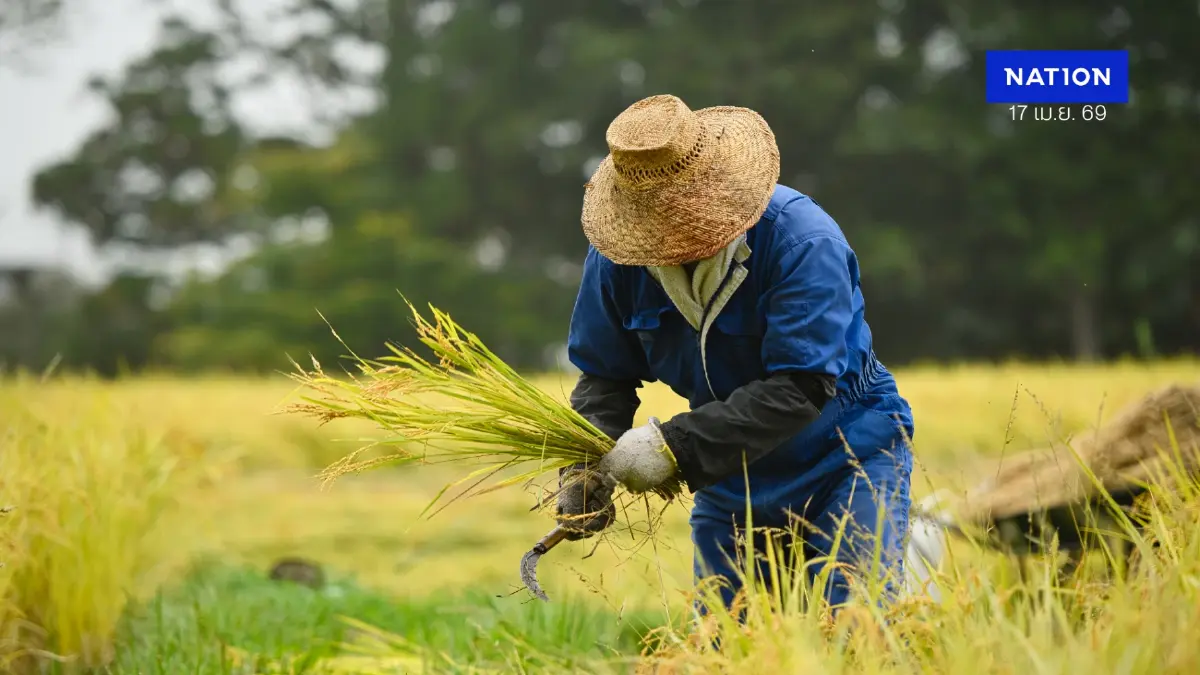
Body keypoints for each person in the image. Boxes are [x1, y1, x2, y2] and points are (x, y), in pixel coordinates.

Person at [554, 94, 914, 613]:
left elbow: (801, 387)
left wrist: (671, 448)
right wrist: (583, 469)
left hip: (846, 455)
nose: (672, 236)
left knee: (853, 629)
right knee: (727, 643)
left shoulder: (801, 243)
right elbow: (604, 377)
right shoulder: (619, 261)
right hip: (731, 476)